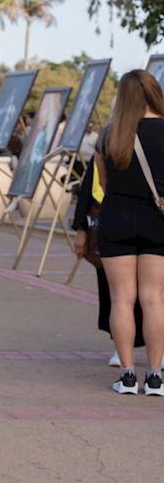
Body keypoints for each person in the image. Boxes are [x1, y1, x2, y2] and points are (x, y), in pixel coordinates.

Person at [92, 69, 164, 395]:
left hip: (116, 220)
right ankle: (155, 377)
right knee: (154, 299)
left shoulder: (110, 134)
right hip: (157, 222)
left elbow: (102, 181)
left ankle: (127, 375)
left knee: (121, 299)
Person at [72, 139, 145, 367]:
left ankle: (152, 350)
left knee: (149, 295)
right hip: (112, 223)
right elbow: (90, 185)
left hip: (138, 224)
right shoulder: (112, 139)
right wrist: (81, 229)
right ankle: (122, 347)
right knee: (119, 292)